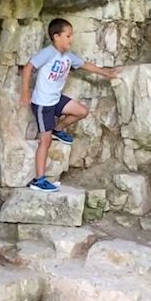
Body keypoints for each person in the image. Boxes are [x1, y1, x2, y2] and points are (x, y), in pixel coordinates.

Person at [20, 18, 121, 192]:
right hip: (43, 104)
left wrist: (106, 72)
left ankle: (57, 129)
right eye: (68, 35)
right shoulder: (48, 53)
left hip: (56, 99)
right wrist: (25, 91)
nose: (71, 39)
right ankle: (39, 179)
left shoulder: (68, 56)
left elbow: (85, 65)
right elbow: (28, 68)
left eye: (71, 35)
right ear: (56, 36)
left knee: (81, 111)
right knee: (45, 141)